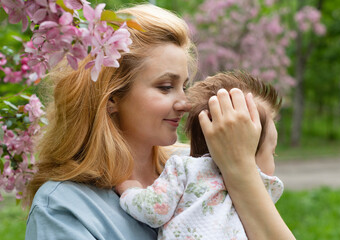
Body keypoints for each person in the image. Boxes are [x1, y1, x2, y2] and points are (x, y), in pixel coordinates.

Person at [24, 4, 295, 240]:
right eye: (166, 87)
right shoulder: (63, 207)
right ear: (111, 98)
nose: (185, 103)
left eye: (184, 86)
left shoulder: (196, 166)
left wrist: (241, 169)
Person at [115, 71, 284, 239]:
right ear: (247, 149)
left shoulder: (185, 169)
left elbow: (155, 210)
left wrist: (132, 191)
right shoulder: (262, 193)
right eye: (272, 152)